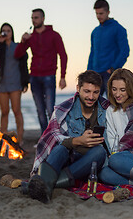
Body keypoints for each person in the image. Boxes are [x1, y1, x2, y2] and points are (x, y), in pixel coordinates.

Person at [22, 70, 110, 203]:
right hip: (67, 159)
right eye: (87, 91)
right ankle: (46, 183)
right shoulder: (63, 109)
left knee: (100, 152)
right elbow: (53, 137)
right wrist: (77, 141)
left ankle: (46, 184)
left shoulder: (106, 109)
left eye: (95, 92)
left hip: (88, 162)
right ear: (78, 89)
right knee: (60, 149)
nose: (91, 97)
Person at [14, 8, 68, 135]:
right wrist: (23, 41)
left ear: (43, 18)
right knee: (40, 110)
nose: (34, 20)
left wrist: (63, 76)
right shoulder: (30, 37)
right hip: (34, 77)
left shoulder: (54, 35)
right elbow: (18, 54)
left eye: (36, 18)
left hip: (49, 75)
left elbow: (63, 55)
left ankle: (54, 136)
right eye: (32, 18)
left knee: (50, 110)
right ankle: (44, 137)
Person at [0, 23, 29, 145]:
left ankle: (20, 139)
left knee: (17, 111)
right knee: (4, 112)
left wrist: (25, 82)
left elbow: (25, 62)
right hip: (2, 84)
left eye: (8, 31)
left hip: (16, 84)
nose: (6, 33)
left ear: (12, 33)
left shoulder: (17, 46)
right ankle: (4, 139)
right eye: (3, 31)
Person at [87, 0, 130, 96]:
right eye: (97, 13)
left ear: (108, 12)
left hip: (109, 74)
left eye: (101, 13)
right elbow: (92, 53)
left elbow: (125, 51)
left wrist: (113, 68)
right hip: (95, 74)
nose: (98, 16)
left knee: (113, 104)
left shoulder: (118, 29)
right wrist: (88, 72)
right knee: (92, 105)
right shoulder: (95, 32)